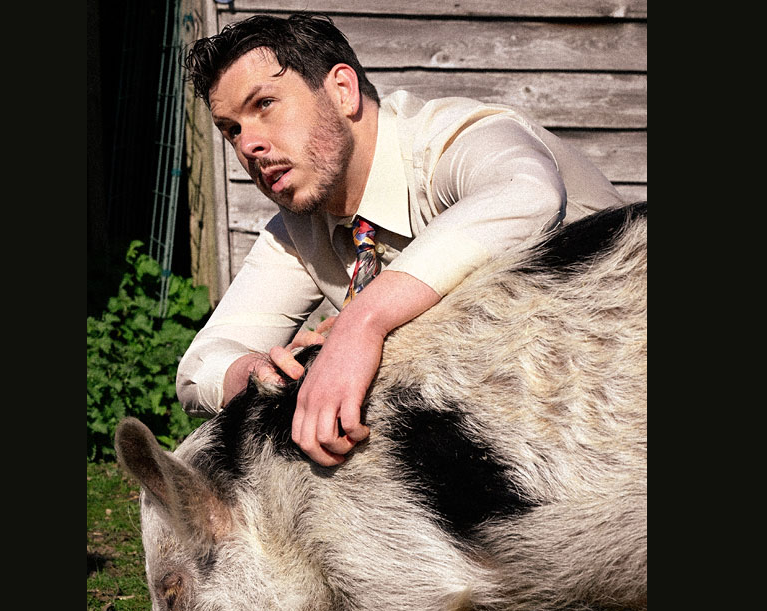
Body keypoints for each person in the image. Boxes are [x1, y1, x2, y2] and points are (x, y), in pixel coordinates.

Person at [176, 12, 625, 467]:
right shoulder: (299, 228)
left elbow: (529, 193)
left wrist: (363, 321)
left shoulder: (447, 140)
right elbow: (199, 367)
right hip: (534, 442)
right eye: (231, 129)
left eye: (265, 105)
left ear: (342, 91)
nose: (247, 144)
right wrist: (254, 375)